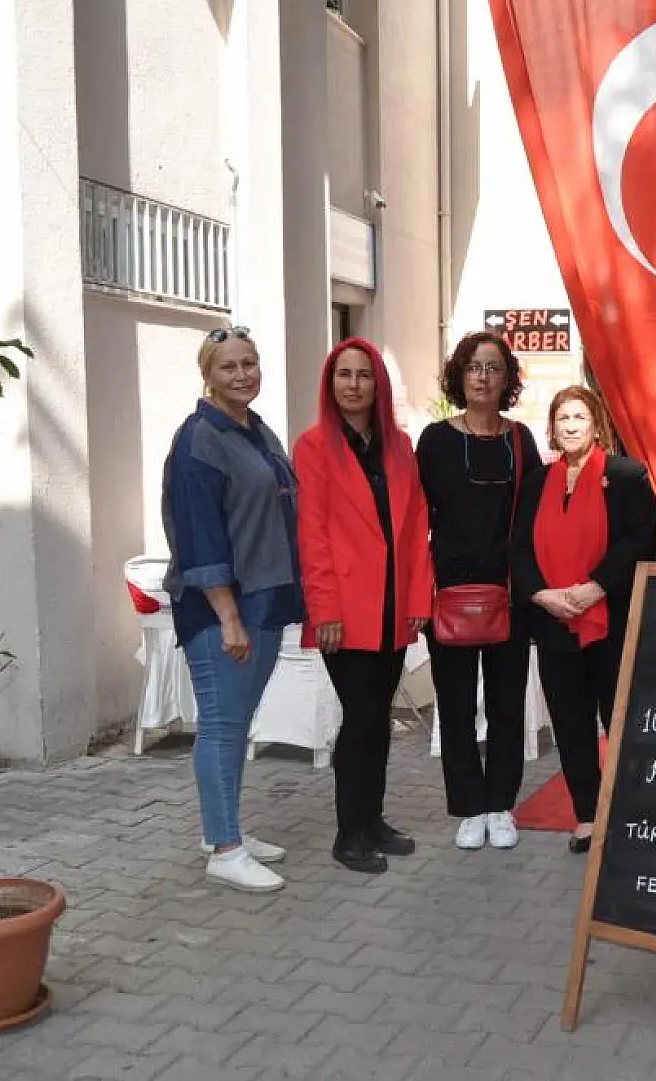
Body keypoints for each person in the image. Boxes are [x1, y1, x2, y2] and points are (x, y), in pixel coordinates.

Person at [162, 326, 305, 894]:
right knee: (222, 725)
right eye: (229, 367)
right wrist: (226, 615)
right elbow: (198, 535)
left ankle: (225, 829)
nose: (243, 374)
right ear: (208, 374)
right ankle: (224, 850)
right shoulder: (200, 439)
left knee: (237, 722)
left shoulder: (253, 429)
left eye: (250, 363)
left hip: (264, 598)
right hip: (225, 609)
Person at [293, 338, 432, 875]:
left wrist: (419, 597)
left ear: (379, 384)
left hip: (393, 605)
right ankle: (349, 833)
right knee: (362, 717)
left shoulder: (398, 446)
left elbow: (417, 526)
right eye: (343, 375)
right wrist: (323, 609)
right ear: (330, 385)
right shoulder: (313, 447)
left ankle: (374, 821)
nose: (353, 384)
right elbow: (313, 535)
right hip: (345, 609)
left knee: (377, 721)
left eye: (363, 375)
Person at [511, 386, 656, 854]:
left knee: (621, 721)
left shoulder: (627, 475)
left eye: (580, 416)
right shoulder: (536, 481)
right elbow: (518, 546)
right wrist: (542, 593)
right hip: (554, 620)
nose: (571, 425)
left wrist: (596, 585)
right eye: (562, 417)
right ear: (552, 428)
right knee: (571, 723)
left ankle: (636, 812)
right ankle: (588, 815)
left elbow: (640, 539)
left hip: (610, 619)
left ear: (597, 423)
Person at [416, 333, 545, 851]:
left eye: (493, 368)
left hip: (508, 594)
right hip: (448, 592)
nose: (483, 377)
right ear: (459, 375)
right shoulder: (435, 440)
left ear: (507, 378)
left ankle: (500, 804)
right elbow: (415, 519)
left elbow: (537, 519)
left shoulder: (521, 440)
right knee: (457, 704)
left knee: (508, 703)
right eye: (473, 367)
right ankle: (468, 806)